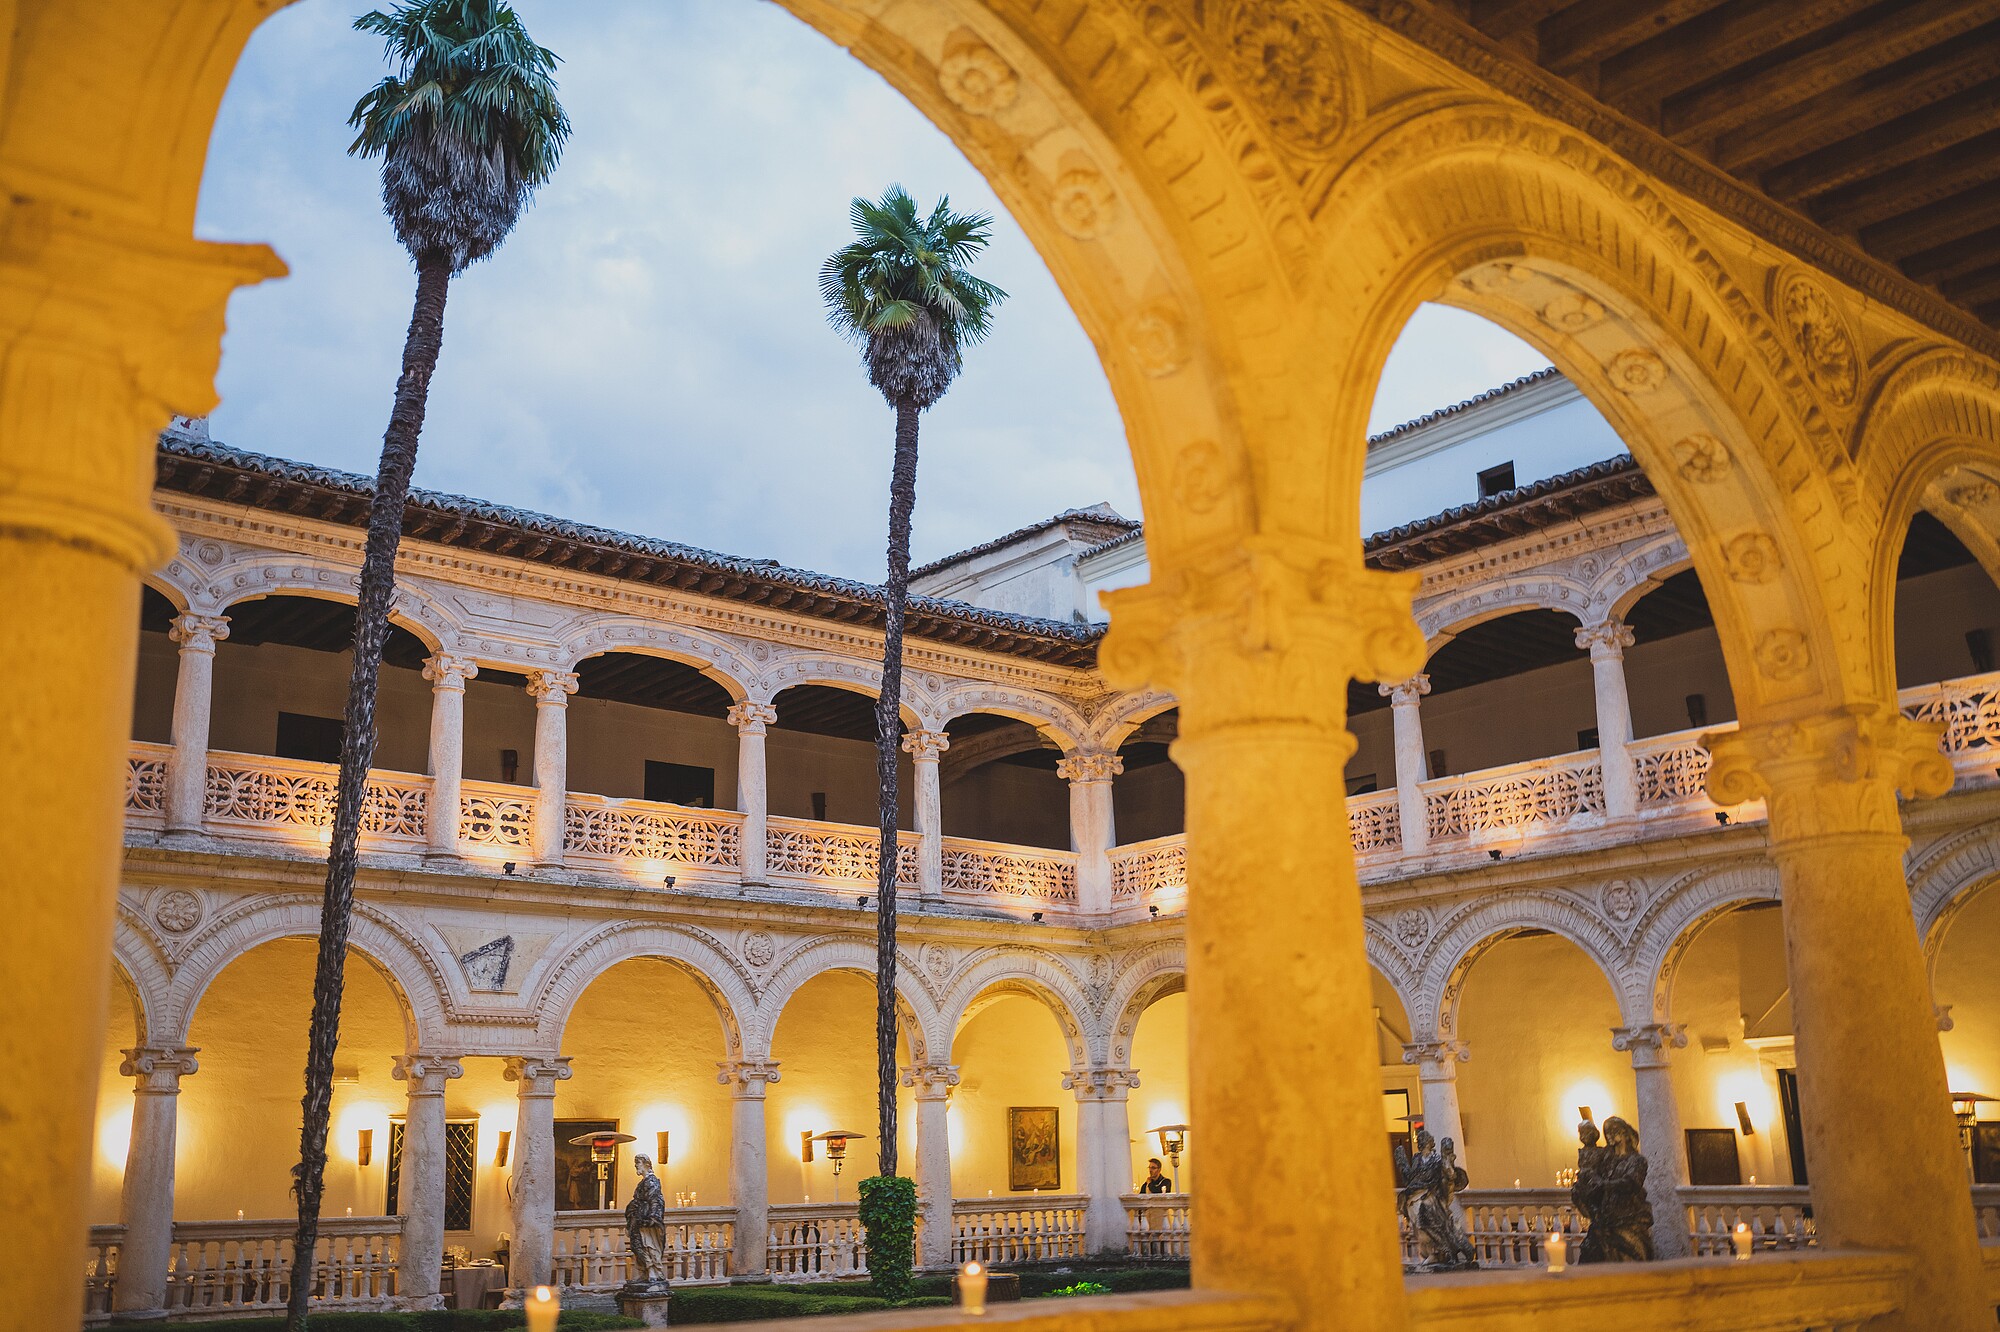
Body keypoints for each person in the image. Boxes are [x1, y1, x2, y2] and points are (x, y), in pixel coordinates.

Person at [624, 1154, 670, 1286]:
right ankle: (646, 1272)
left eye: (638, 1163)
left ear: (647, 1164)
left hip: (645, 1221)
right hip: (638, 1220)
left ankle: (652, 1272)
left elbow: (656, 1201)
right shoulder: (643, 1182)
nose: (636, 1165)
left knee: (647, 1245)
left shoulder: (651, 1181)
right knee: (638, 1245)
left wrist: (651, 1218)